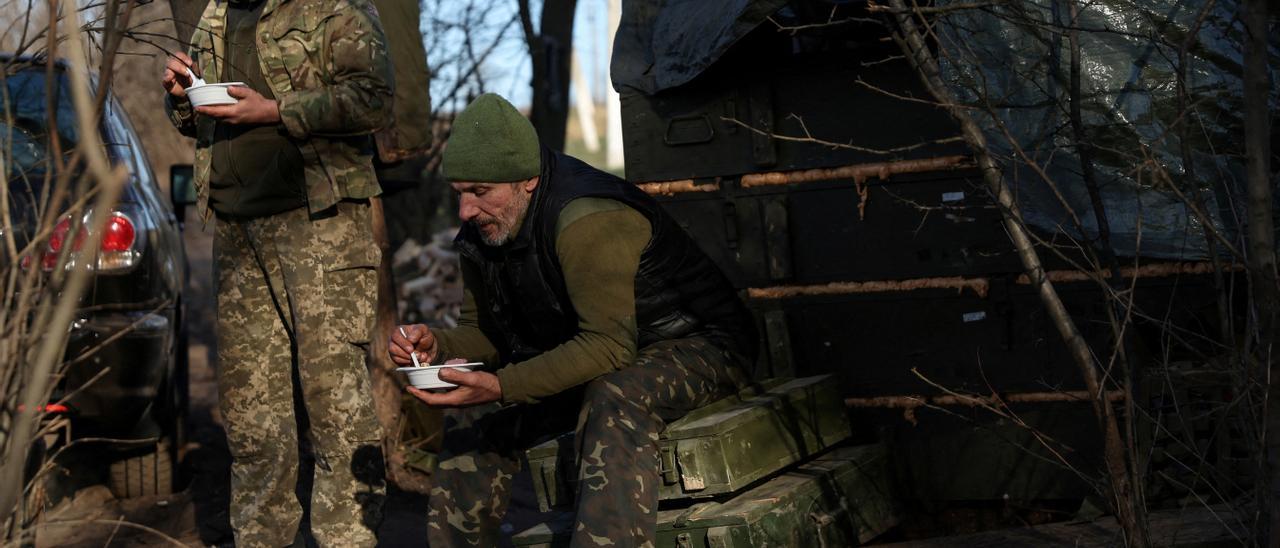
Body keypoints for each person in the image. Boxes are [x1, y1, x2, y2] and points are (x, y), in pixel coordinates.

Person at [389, 93, 759, 546]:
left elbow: (608, 347)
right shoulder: (485, 227)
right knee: (476, 411)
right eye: (459, 193)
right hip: (594, 353)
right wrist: (438, 348)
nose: (465, 211)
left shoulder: (585, 214)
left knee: (616, 396)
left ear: (527, 179)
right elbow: (486, 332)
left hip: (700, 347)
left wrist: (504, 384)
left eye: (480, 192)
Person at [162, 0, 393, 545]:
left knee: (337, 415)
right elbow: (201, 122)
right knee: (252, 425)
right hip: (238, 233)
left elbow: (373, 99)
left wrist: (274, 111)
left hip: (320, 228)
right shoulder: (216, 14)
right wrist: (182, 100)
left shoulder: (336, 8)